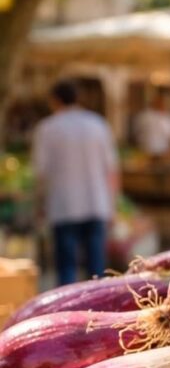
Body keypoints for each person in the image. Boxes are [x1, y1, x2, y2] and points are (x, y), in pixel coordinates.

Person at [32, 80, 119, 285]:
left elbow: (40, 173)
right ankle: (100, 314)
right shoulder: (98, 124)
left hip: (63, 205)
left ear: (55, 100)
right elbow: (112, 169)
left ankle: (66, 315)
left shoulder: (47, 128)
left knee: (66, 270)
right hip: (96, 203)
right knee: (97, 272)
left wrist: (39, 205)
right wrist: (112, 205)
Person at [134, 93, 170, 163]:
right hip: (146, 152)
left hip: (162, 152)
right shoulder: (144, 116)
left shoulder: (167, 117)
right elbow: (137, 132)